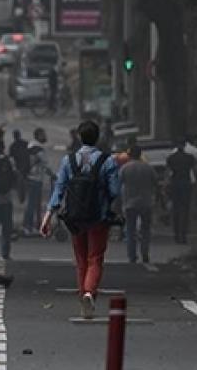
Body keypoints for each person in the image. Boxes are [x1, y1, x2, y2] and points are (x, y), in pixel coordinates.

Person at [41, 120, 122, 320]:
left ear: (79, 137)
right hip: (98, 218)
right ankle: (89, 293)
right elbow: (114, 191)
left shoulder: (69, 161)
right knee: (95, 258)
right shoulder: (107, 161)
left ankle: (82, 297)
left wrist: (48, 215)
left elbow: (59, 188)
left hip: (75, 219)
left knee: (80, 260)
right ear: (98, 138)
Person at [119, 146, 156, 264]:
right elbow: (155, 182)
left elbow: (118, 183)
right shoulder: (148, 168)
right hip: (146, 202)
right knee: (145, 230)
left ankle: (132, 255)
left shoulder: (125, 168)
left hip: (130, 203)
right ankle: (145, 253)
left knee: (130, 230)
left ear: (130, 155)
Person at [22, 128, 53, 236]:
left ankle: (33, 225)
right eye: (43, 134)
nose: (45, 137)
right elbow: (46, 165)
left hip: (30, 178)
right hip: (35, 179)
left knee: (34, 204)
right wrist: (54, 175)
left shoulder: (30, 146)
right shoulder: (39, 150)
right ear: (38, 135)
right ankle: (27, 226)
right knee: (32, 204)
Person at [166, 141, 197, 244]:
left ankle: (176, 235)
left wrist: (167, 185)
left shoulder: (171, 158)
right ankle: (183, 235)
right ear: (184, 146)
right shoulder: (189, 158)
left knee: (176, 210)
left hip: (175, 183)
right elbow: (195, 169)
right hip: (186, 183)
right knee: (185, 209)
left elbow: (168, 172)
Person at [8, 129, 32, 226]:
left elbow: (11, 158)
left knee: (20, 183)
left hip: (19, 168)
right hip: (26, 167)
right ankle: (22, 197)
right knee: (23, 182)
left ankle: (21, 197)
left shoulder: (13, 146)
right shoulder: (25, 143)